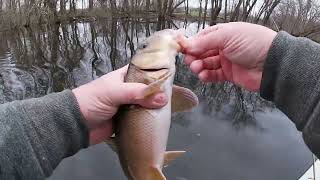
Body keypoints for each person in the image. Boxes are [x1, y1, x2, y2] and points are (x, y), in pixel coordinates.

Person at [0, 21, 319, 179]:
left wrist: (275, 60)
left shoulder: (161, 83)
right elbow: (185, 99)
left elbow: (187, 100)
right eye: (145, 48)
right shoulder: (147, 83)